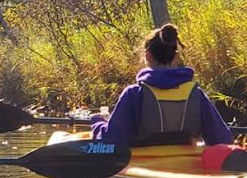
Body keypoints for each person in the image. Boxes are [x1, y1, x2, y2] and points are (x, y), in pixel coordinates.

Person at [91, 23, 233, 148]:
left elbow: (111, 141)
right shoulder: (196, 94)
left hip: (144, 168)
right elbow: (223, 139)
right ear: (176, 58)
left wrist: (98, 123)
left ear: (147, 56)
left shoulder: (134, 94)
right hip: (187, 167)